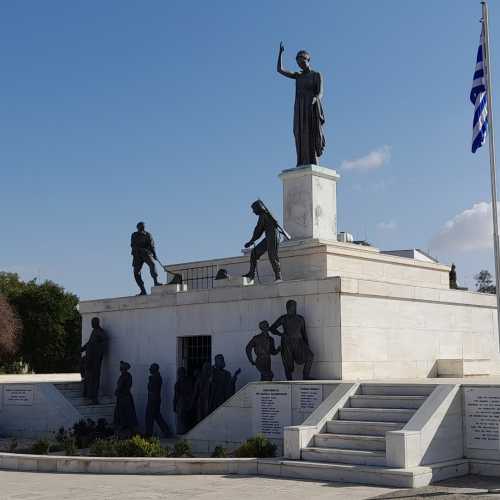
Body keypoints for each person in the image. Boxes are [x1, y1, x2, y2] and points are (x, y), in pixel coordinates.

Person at [277, 42, 325, 167]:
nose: (300, 64)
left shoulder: (316, 75)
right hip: (299, 108)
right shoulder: (298, 76)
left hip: (311, 107)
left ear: (308, 59)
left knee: (310, 132)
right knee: (299, 133)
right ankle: (301, 160)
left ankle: (313, 160)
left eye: (302, 61)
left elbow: (320, 92)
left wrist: (315, 99)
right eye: (298, 62)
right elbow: (280, 70)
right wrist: (280, 54)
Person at [270, 299, 314, 380]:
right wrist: (281, 334)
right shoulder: (283, 318)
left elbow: (304, 333)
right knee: (287, 364)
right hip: (287, 343)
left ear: (295, 307)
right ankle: (289, 381)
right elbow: (272, 328)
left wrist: (307, 346)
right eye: (289, 306)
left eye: (292, 306)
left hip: (299, 342)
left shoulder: (300, 318)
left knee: (310, 356)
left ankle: (305, 376)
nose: (290, 308)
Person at [243, 200, 282, 282]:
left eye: (254, 209)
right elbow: (258, 230)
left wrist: (251, 241)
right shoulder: (264, 214)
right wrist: (252, 240)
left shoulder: (264, 215)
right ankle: (251, 274)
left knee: (272, 256)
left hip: (273, 236)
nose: (253, 211)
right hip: (269, 237)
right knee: (254, 253)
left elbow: (258, 230)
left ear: (258, 208)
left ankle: (278, 276)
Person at [80, 317, 107, 404]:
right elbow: (90, 343)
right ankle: (87, 393)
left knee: (95, 377)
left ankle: (94, 397)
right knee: (88, 376)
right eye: (91, 322)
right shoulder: (94, 331)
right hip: (89, 358)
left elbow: (103, 345)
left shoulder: (100, 332)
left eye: (93, 322)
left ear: (97, 323)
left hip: (95, 360)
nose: (91, 324)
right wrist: (82, 349)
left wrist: (98, 355)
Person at [131, 221, 162, 295]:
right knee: (136, 273)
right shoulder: (134, 235)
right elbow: (133, 244)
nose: (142, 228)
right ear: (137, 227)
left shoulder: (148, 235)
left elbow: (152, 245)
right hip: (137, 255)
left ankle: (156, 282)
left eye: (143, 226)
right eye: (141, 226)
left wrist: (154, 254)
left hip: (146, 253)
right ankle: (143, 290)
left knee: (152, 265)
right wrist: (139, 249)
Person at [145, 363, 172, 438]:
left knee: (149, 416)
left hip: (153, 399)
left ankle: (149, 433)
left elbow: (151, 388)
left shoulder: (155, 377)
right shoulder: (155, 377)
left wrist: (150, 379)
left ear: (154, 369)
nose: (150, 369)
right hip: (154, 399)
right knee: (157, 416)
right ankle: (166, 430)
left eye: (151, 368)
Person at [113, 361, 138, 437]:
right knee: (128, 414)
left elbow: (120, 387)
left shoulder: (124, 376)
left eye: (121, 367)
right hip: (126, 397)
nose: (120, 368)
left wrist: (117, 392)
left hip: (123, 397)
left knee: (123, 414)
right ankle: (130, 430)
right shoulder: (128, 375)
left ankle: (124, 431)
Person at [173, 367, 195, 434]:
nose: (179, 374)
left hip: (184, 403)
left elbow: (192, 393)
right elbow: (176, 396)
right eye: (179, 373)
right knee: (183, 420)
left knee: (185, 420)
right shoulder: (178, 383)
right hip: (182, 403)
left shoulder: (188, 382)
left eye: (180, 373)